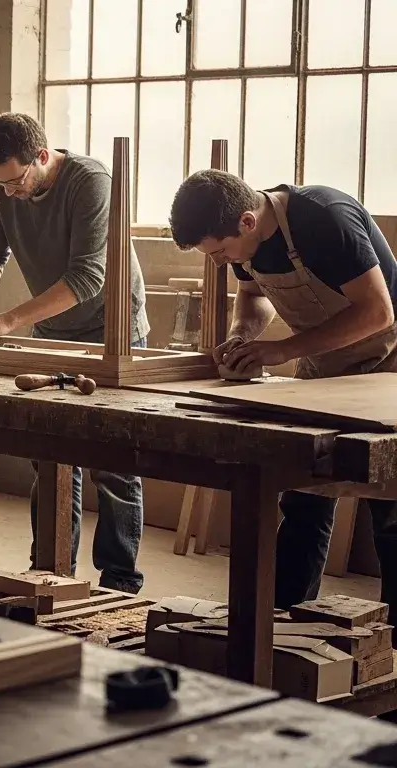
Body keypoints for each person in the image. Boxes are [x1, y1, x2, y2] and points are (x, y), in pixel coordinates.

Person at [169, 169, 397, 608]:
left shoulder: (325, 219)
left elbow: (377, 313)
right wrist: (242, 336)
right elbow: (254, 297)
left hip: (390, 363)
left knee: (390, 506)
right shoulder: (245, 237)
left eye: (220, 252)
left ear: (247, 222)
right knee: (305, 495)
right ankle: (284, 625)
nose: (218, 262)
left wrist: (283, 350)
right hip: (326, 367)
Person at [0, 112, 149, 593]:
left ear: (41, 156)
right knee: (51, 456)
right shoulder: (5, 189)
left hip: (112, 329)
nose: (9, 191)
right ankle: (51, 571)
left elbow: (87, 277)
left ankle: (119, 583)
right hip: (54, 330)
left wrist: (7, 321)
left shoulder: (91, 182)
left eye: (16, 181)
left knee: (114, 463)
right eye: (0, 182)